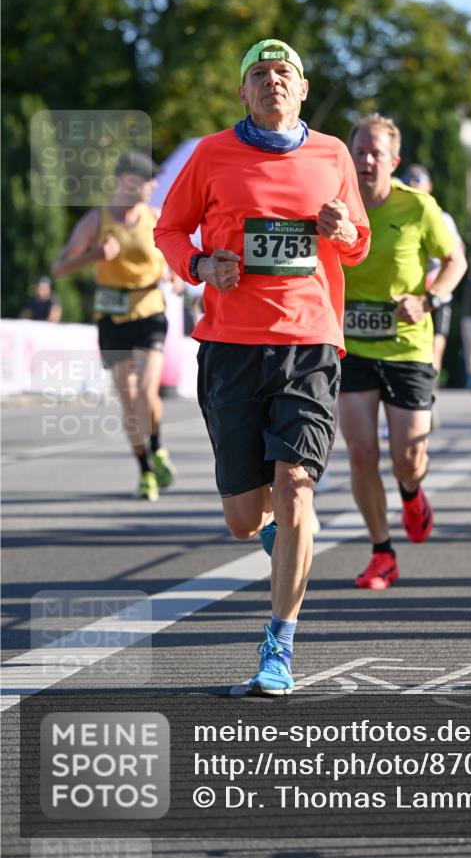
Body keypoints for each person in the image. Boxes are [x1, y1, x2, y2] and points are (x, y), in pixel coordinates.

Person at [154, 38, 370, 695]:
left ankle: (278, 646)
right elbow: (168, 230)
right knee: (244, 518)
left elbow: (356, 243)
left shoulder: (333, 154)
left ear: (301, 89)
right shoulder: (211, 154)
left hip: (308, 342)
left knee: (296, 486)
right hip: (230, 346)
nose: (273, 82)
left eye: (284, 74)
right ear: (243, 93)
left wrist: (341, 232)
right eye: (259, 75)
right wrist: (198, 266)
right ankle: (282, 539)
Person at [339, 114, 467, 590]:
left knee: (408, 456)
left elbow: (456, 259)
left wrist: (430, 298)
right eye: (360, 151)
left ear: (393, 161)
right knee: (361, 452)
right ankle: (381, 552)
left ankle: (412, 494)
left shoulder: (418, 207)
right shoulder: (334, 206)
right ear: (348, 157)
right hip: (351, 344)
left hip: (408, 344)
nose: (367, 160)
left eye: (376, 153)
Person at [51, 150, 178, 502]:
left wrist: (176, 275)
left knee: (147, 392)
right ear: (127, 181)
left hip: (150, 311)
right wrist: (93, 255)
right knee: (129, 397)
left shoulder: (156, 217)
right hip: (111, 317)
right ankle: (146, 470)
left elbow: (175, 256)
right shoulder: (96, 221)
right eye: (148, 179)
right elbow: (58, 267)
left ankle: (158, 446)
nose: (154, 185)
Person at [402, 164, 463, 394]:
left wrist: (440, 284)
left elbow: (457, 253)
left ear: (429, 187)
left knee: (435, 348)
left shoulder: (443, 218)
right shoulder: (397, 213)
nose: (415, 187)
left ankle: (428, 396)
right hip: (410, 292)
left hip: (437, 293)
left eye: (419, 183)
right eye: (411, 183)